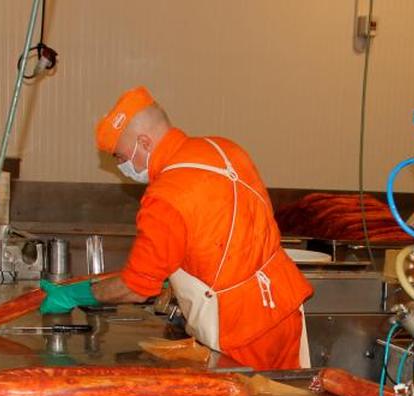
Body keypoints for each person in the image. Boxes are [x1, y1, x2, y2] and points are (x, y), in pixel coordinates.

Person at [39, 86, 314, 370]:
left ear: (144, 142)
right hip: (285, 308)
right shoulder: (224, 148)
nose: (122, 166)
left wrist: (73, 295)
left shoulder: (164, 196)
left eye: (121, 157)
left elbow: (136, 287)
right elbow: (225, 238)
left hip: (241, 330)